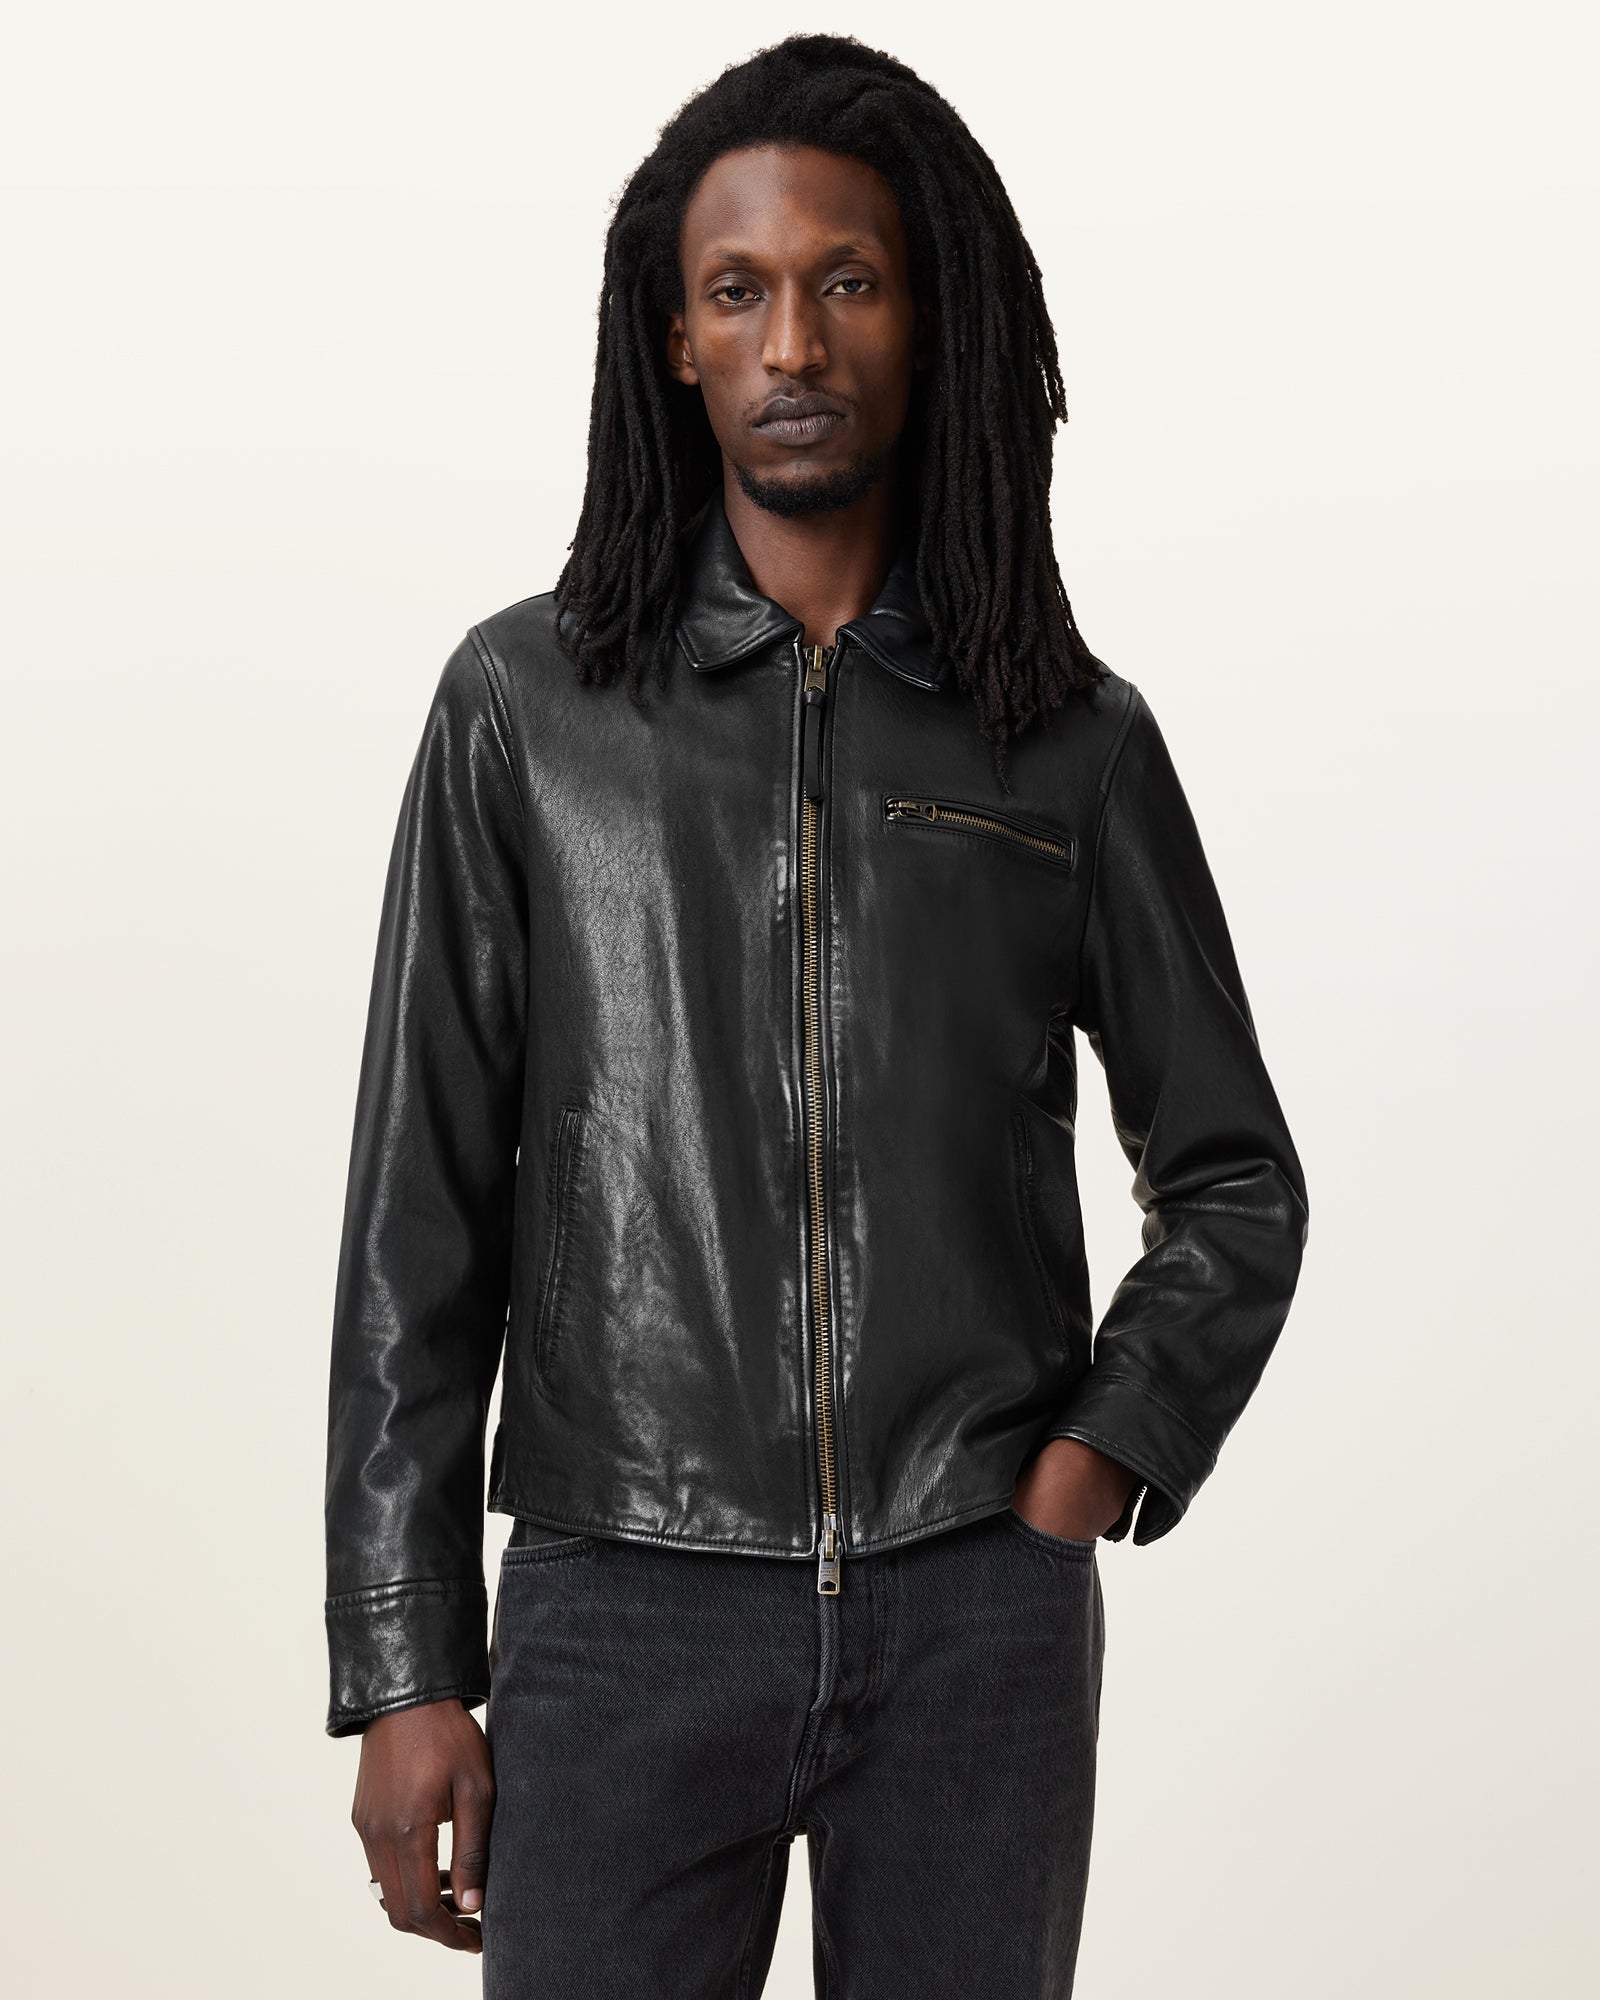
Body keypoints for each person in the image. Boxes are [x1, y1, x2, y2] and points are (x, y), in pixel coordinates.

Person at [324, 32, 1309, 1998]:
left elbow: (1233, 1180)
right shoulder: (524, 712)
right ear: (674, 340)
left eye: (845, 281)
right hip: (618, 1603)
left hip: (974, 1612)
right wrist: (407, 1661)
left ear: (926, 320)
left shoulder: (1066, 739)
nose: (792, 341)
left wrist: (1093, 1461)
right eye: (738, 290)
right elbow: (415, 1226)